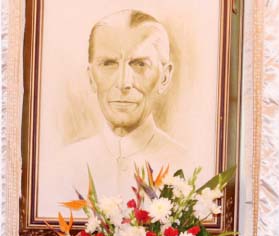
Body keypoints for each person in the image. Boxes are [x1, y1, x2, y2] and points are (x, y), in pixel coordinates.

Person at [49, 9, 185, 199]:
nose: (123, 83)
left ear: (164, 77)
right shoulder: (60, 169)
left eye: (140, 64)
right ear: (91, 77)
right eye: (109, 64)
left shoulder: (187, 167)